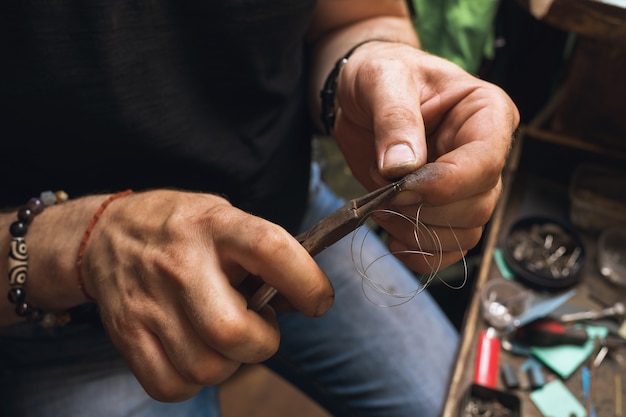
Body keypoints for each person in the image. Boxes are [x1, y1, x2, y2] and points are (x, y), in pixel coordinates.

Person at [0, 1, 519, 416]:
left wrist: (370, 62)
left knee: (460, 405)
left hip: (292, 226)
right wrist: (79, 244)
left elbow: (357, 16)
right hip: (58, 312)